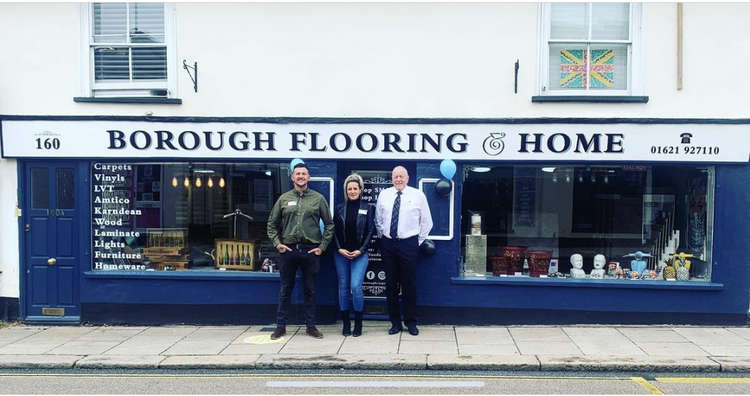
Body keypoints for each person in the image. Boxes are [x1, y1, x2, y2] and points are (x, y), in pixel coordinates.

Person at [267, 162, 334, 340]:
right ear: (292, 177)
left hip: (310, 251)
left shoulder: (318, 199)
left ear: (309, 177)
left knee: (310, 290)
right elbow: (271, 224)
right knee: (285, 289)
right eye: (298, 174)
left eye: (304, 174)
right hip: (288, 251)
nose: (301, 177)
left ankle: (310, 326)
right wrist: (277, 243)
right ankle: (280, 326)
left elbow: (329, 225)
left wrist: (322, 247)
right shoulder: (283, 199)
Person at [375, 166, 433, 336]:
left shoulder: (418, 195)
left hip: (409, 243)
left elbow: (427, 221)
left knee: (409, 284)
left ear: (407, 178)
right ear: (392, 179)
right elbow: (378, 219)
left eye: (401, 176)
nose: (398, 179)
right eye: (395, 177)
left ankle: (411, 322)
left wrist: (418, 241)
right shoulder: (384, 195)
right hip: (388, 243)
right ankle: (395, 323)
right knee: (390, 284)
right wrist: (384, 237)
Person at [333, 173, 375, 337]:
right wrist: (339, 249)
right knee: (343, 287)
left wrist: (361, 250)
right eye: (349, 189)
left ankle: (358, 323)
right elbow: (333, 231)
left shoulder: (368, 207)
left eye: (355, 188)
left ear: (360, 190)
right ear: (346, 190)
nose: (352, 191)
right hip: (341, 254)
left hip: (360, 254)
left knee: (356, 286)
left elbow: (371, 231)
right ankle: (345, 323)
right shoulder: (339, 208)